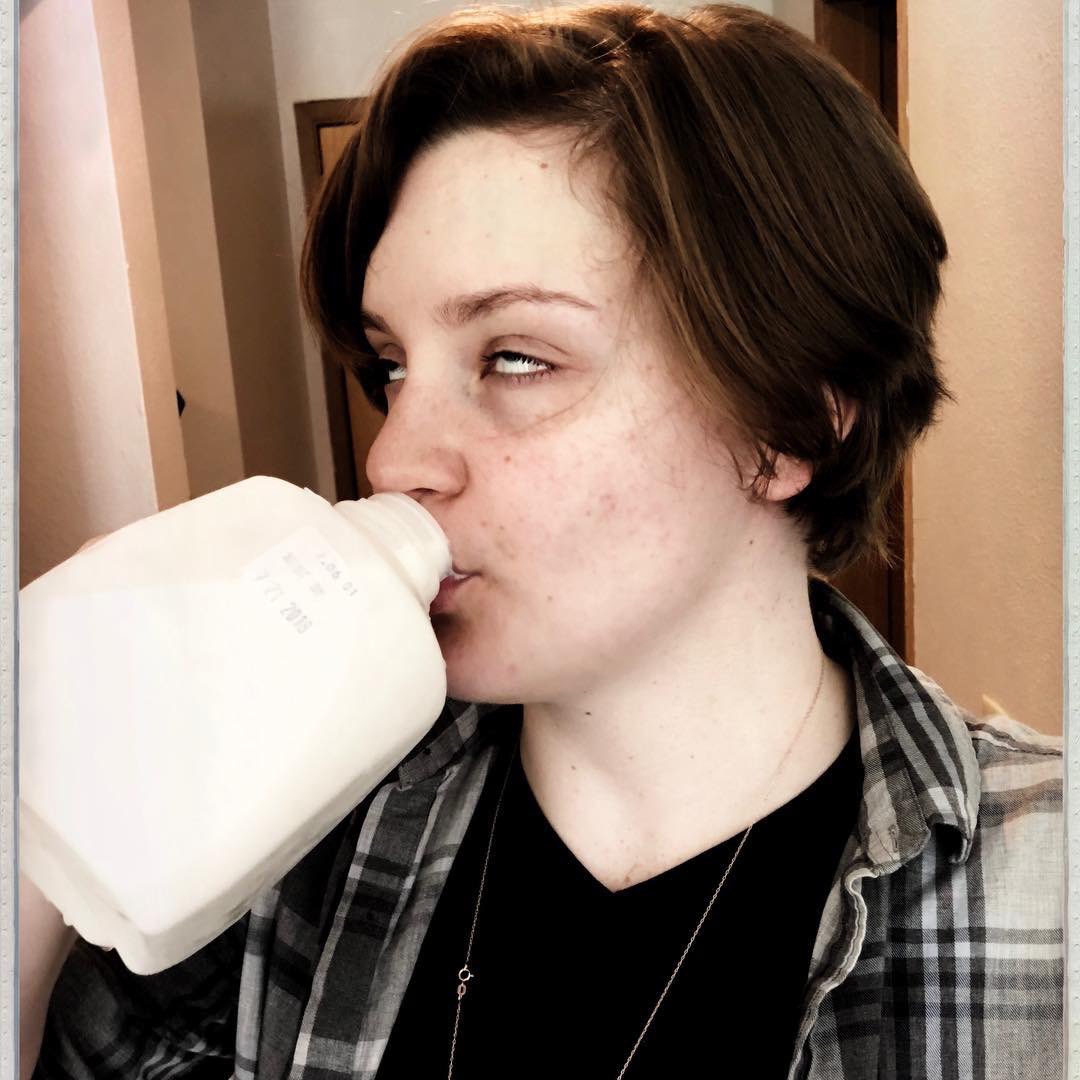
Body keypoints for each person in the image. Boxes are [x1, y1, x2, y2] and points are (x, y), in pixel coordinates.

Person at [23, 4, 1063, 1079]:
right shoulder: (289, 827)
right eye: (392, 368)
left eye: (515, 358)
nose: (392, 459)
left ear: (791, 423)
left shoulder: (1048, 892)